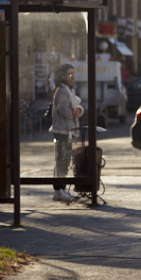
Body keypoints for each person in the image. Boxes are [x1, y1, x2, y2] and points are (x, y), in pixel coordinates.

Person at [49, 63, 82, 203]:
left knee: (65, 159)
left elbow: (74, 106)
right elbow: (63, 109)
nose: (72, 76)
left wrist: (78, 110)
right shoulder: (62, 90)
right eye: (69, 73)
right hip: (62, 130)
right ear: (62, 76)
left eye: (73, 73)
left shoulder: (69, 89)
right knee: (61, 159)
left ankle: (61, 188)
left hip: (67, 130)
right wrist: (75, 113)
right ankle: (58, 189)